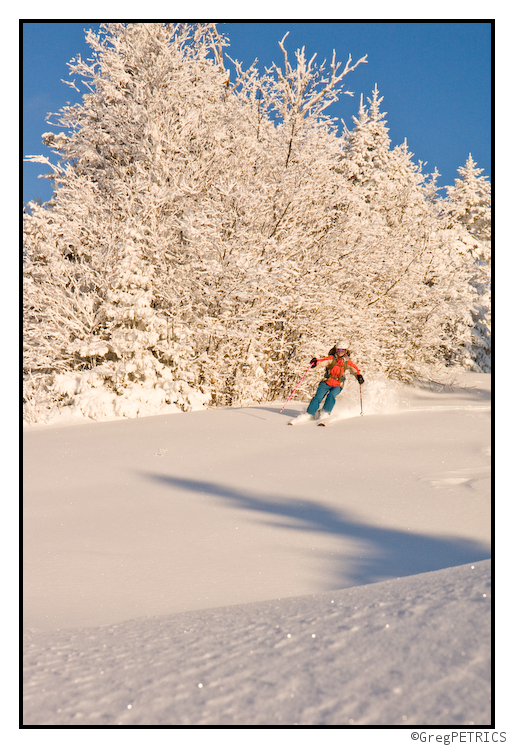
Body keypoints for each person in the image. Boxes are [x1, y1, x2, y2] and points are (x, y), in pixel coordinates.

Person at [296, 341, 364, 423]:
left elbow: (354, 369)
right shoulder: (332, 359)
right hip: (326, 382)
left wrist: (359, 376)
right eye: (338, 350)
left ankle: (325, 413)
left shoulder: (347, 362)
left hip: (338, 384)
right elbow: (322, 361)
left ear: (345, 351)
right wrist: (315, 363)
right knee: (318, 397)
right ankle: (309, 414)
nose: (340, 352)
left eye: (342, 350)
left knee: (331, 396)